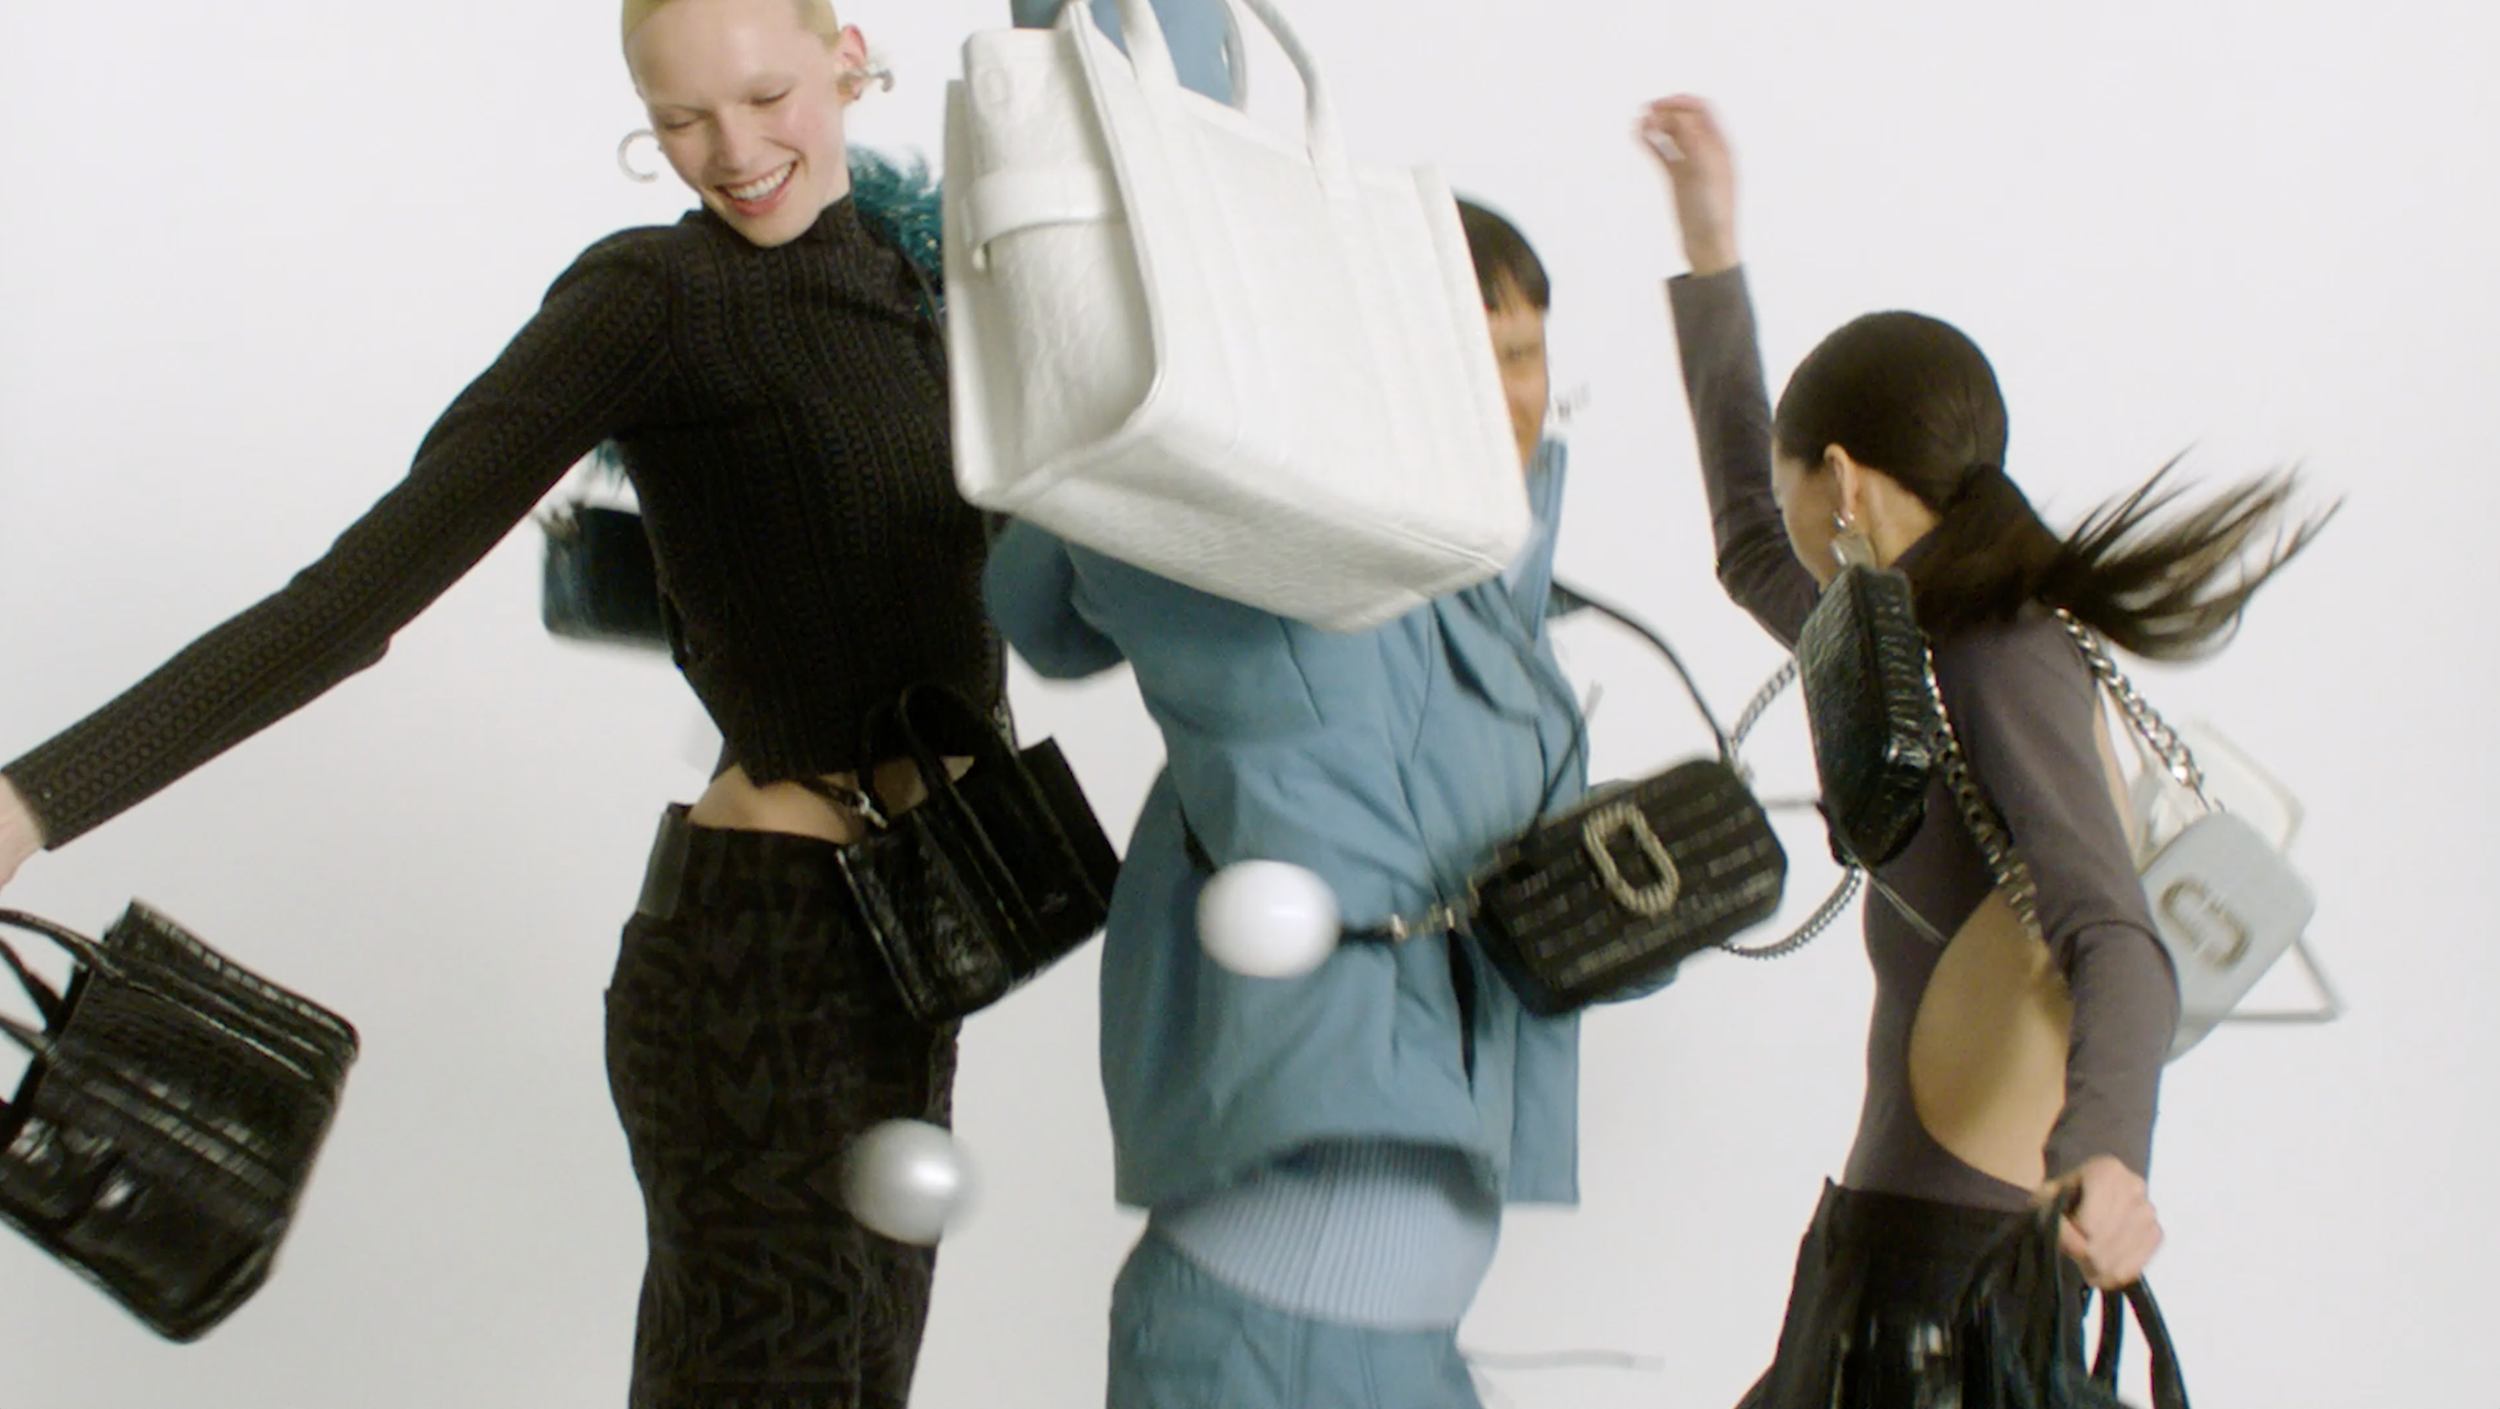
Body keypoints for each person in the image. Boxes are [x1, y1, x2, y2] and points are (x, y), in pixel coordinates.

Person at [0, 1, 1232, 1404]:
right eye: (680, 121)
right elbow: (351, 598)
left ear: (847, 57)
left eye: (765, 96)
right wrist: (32, 802)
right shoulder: (653, 299)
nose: (735, 153)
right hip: (762, 964)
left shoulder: (925, 284)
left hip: (914, 959)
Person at [1638, 95, 2328, 1404]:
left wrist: (2108, 1154)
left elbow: (2113, 933)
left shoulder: (2001, 654)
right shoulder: (1894, 646)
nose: (1785, 528)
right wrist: (1711, 255)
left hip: (1944, 1291)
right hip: (1882, 1258)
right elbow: (1743, 544)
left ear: (1844, 480)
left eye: (1796, 493)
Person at [984, 200, 1596, 1409]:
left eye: (1522, 354)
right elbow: (1058, 571)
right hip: (1264, 1347)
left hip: (1412, 1356)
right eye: (1459, 356)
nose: (1502, 397)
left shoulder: (1507, 614)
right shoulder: (1276, 581)